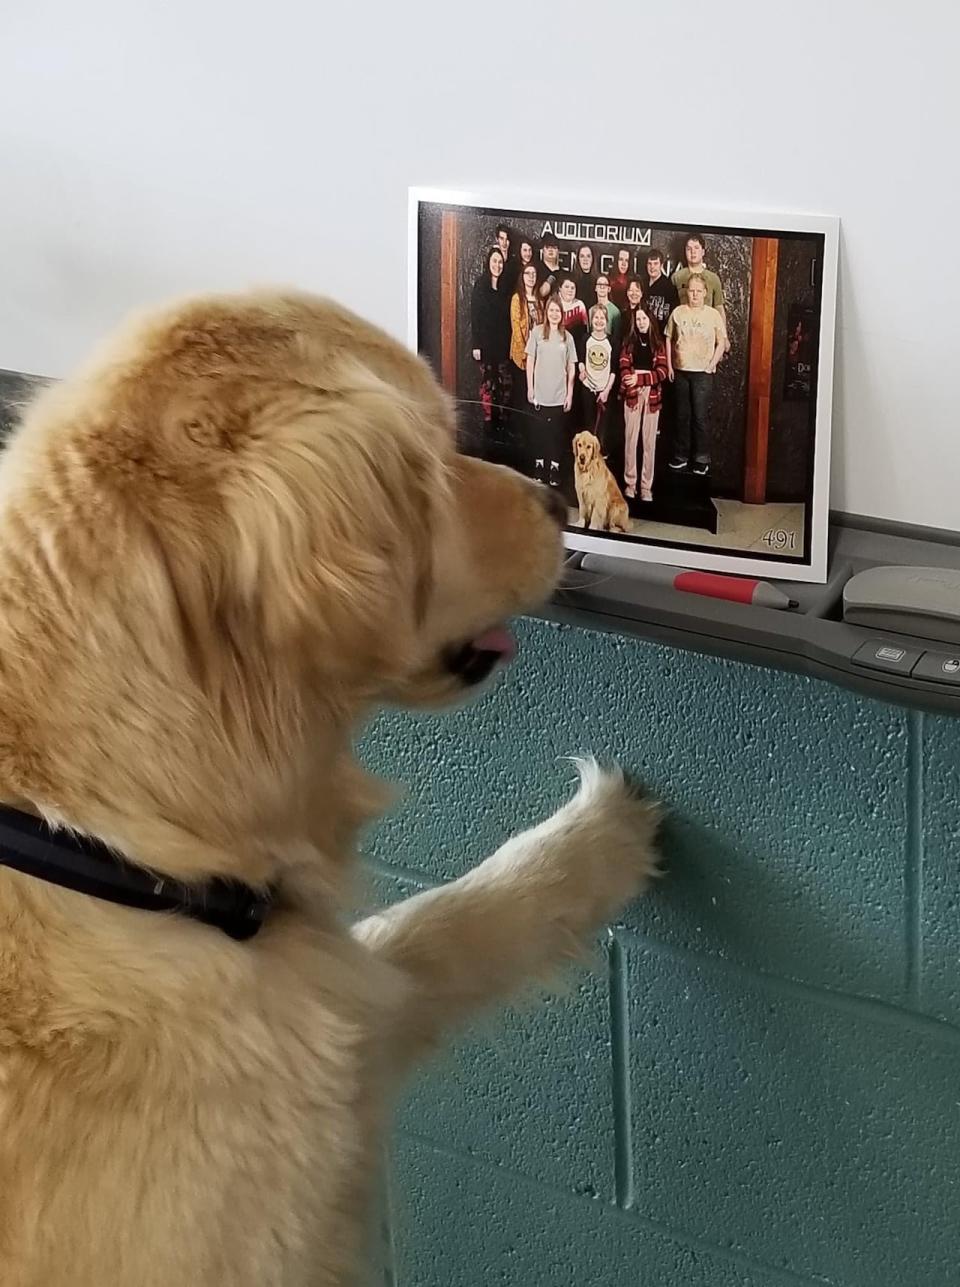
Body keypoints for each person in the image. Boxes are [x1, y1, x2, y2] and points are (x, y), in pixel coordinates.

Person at [665, 273, 727, 475]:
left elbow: (721, 341)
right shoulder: (678, 312)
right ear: (686, 292)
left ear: (705, 293)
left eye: (698, 291)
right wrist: (670, 365)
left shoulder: (713, 315)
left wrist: (712, 364)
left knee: (700, 417)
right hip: (681, 371)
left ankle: (701, 458)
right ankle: (680, 456)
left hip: (702, 374)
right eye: (691, 291)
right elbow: (668, 338)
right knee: (681, 416)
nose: (694, 295)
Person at [526, 295, 577, 490]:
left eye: (558, 310)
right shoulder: (537, 332)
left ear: (561, 314)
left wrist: (569, 393)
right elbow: (530, 361)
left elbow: (571, 367)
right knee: (540, 432)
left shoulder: (567, 337)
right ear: (546, 312)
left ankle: (554, 468)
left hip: (559, 394)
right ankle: (540, 466)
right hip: (540, 393)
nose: (554, 314)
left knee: (556, 434)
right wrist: (530, 388)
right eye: (551, 310)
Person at [619, 305, 668, 501]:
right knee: (631, 441)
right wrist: (632, 380)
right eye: (638, 319)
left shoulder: (658, 344)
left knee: (649, 443)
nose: (641, 322)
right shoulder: (628, 343)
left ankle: (646, 487)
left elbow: (662, 372)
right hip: (631, 394)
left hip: (652, 395)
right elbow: (623, 367)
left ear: (650, 321)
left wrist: (641, 379)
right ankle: (630, 484)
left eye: (644, 319)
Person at [470, 246, 513, 430]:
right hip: (485, 344)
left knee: (504, 385)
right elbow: (475, 316)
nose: (497, 265)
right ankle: (488, 419)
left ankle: (502, 419)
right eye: (494, 261)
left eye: (500, 262)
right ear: (488, 263)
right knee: (487, 384)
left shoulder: (506, 286)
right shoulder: (480, 285)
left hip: (503, 343)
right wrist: (476, 344)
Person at [671, 232, 730, 356]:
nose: (693, 252)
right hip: (683, 339)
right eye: (689, 249)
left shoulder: (713, 279)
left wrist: (724, 337)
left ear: (703, 251)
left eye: (696, 248)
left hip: (706, 339)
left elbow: (719, 308)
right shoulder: (677, 277)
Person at [579, 304, 616, 451]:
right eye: (596, 317)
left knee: (603, 427)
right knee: (589, 423)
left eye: (602, 318)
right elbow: (581, 360)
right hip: (588, 387)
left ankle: (601, 454)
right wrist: (582, 372)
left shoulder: (612, 341)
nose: (599, 321)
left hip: (604, 389)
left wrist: (606, 390)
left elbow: (614, 369)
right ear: (591, 319)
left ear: (606, 321)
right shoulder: (585, 338)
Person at [510, 263, 543, 418]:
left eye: (534, 274)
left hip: (537, 356)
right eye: (527, 273)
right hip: (521, 355)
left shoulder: (539, 301)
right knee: (521, 394)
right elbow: (516, 328)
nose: (531, 277)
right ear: (522, 277)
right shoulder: (517, 299)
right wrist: (525, 352)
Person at [642, 248, 679, 332]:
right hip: (643, 331)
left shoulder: (669, 287)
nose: (652, 267)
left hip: (660, 333)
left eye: (655, 264)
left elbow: (673, 314)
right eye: (649, 264)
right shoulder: (642, 284)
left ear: (661, 265)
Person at [594, 273, 621, 340]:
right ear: (595, 288)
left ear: (609, 289)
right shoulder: (591, 310)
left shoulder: (615, 311)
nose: (602, 287)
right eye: (599, 284)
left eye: (605, 285)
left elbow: (617, 336)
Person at [496, 222, 520, 294]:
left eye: (507, 239)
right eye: (501, 238)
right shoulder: (492, 262)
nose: (504, 243)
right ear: (497, 239)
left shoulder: (514, 263)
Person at [573, 243, 598, 310]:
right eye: (582, 256)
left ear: (593, 259)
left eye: (588, 256)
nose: (585, 259)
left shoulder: (598, 281)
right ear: (578, 259)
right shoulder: (572, 280)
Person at [539, 233, 564, 298]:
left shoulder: (563, 273)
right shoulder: (535, 269)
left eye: (554, 247)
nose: (550, 250)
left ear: (558, 251)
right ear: (543, 249)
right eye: (547, 247)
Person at [609, 246, 633, 311]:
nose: (624, 264)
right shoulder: (609, 280)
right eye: (621, 259)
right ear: (616, 261)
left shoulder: (633, 282)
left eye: (626, 260)